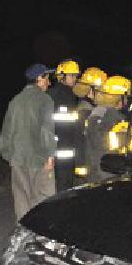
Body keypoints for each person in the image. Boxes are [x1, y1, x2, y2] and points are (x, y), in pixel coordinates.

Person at [0, 64, 58, 220]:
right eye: (47, 78)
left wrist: (9, 155)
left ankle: (25, 236)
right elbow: (47, 130)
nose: (49, 82)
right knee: (44, 198)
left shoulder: (15, 100)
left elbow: (6, 131)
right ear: (39, 79)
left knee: (21, 200)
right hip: (39, 158)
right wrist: (50, 156)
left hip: (17, 158)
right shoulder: (45, 100)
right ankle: (43, 235)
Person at [85, 75, 132, 183]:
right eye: (125, 97)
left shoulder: (102, 113)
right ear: (118, 97)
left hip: (101, 170)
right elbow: (103, 146)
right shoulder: (110, 116)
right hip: (107, 173)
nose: (127, 101)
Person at [49, 59, 82, 191]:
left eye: (76, 76)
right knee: (61, 185)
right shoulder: (54, 95)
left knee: (67, 184)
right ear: (62, 76)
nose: (74, 78)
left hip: (68, 148)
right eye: (72, 75)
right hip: (58, 149)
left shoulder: (71, 95)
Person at [72, 67, 108, 181]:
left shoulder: (93, 109)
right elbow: (84, 144)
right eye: (100, 89)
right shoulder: (85, 111)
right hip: (88, 170)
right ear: (90, 90)